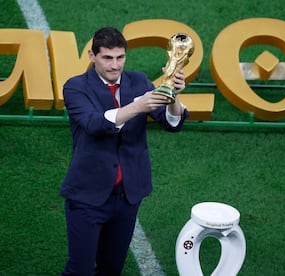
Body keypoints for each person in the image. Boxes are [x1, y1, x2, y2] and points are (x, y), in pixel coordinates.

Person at [59, 26, 189, 275]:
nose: (115, 65)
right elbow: (94, 123)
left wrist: (174, 96)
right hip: (87, 196)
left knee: (111, 268)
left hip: (127, 196)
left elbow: (171, 123)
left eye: (120, 57)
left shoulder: (139, 80)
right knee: (80, 270)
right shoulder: (75, 87)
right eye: (107, 57)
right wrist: (138, 105)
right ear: (92, 56)